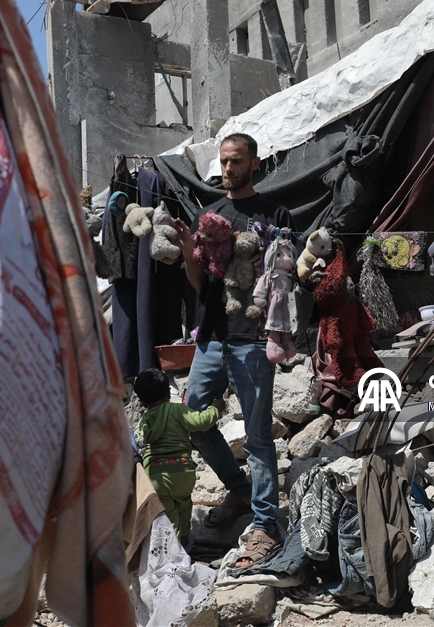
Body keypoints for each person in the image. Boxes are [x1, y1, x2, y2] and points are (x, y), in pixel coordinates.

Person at [174, 133, 294, 568]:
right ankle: (239, 489)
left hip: (254, 338)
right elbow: (200, 284)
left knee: (260, 437)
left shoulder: (275, 213)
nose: (228, 169)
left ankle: (265, 525)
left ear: (254, 163)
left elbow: (287, 278)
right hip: (211, 337)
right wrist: (190, 256)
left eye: (236, 161)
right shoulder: (211, 215)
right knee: (194, 418)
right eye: (224, 162)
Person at [135, 368, 224, 547]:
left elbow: (149, 439)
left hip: (156, 475)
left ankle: (173, 552)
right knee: (184, 509)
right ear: (169, 393)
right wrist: (217, 407)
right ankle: (183, 542)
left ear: (142, 403)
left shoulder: (145, 420)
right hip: (182, 472)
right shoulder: (177, 410)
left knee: (168, 518)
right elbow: (201, 421)